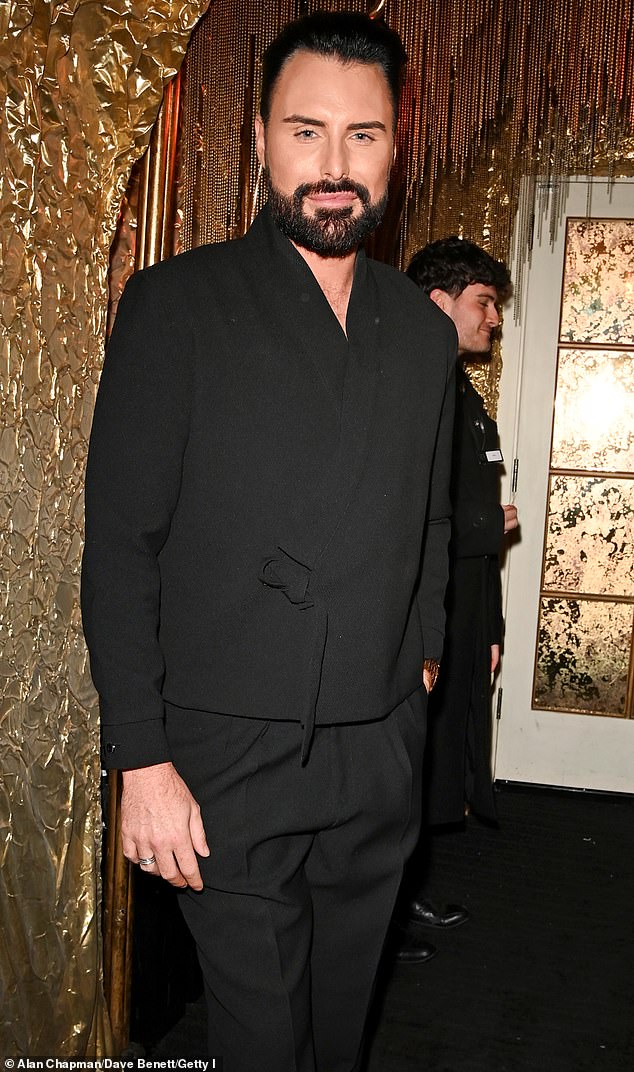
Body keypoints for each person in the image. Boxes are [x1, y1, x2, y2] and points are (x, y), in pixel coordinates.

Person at [81, 12, 457, 1072]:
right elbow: (120, 545)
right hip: (222, 755)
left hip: (375, 747)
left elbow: (431, 515)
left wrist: (422, 658)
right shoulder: (177, 306)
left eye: (362, 135)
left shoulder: (421, 332)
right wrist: (142, 756)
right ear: (259, 139)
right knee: (262, 1036)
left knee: (338, 1031)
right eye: (306, 131)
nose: (334, 165)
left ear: (395, 147)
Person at [395, 237, 518, 964]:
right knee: (409, 766)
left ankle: (401, 894)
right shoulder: (407, 388)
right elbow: (407, 517)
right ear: (439, 303)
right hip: (422, 613)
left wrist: (490, 624)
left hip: (461, 606)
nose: (493, 319)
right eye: (484, 302)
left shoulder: (461, 393)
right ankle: (383, 914)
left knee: (436, 761)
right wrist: (485, 524)